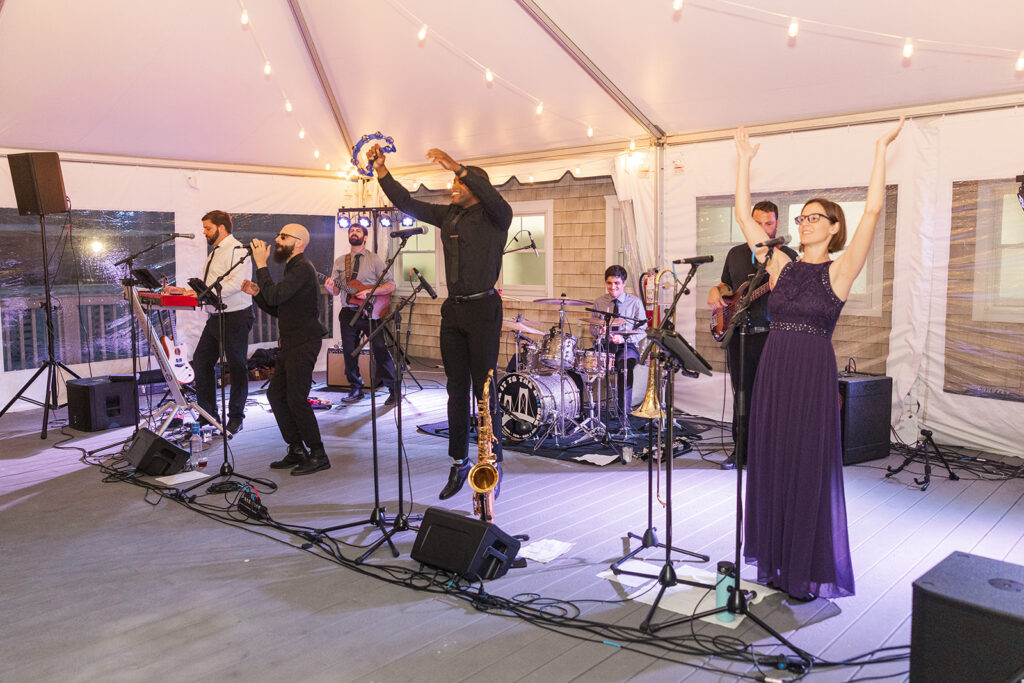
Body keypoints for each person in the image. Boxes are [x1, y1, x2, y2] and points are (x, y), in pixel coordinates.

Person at [734, 117, 904, 600]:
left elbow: (872, 211)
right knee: (772, 460)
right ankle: (774, 558)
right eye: (801, 217)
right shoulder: (781, 264)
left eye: (814, 218)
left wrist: (879, 149)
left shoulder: (842, 269)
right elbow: (745, 216)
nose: (803, 223)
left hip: (810, 373)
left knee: (806, 464)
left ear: (833, 228)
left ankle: (805, 568)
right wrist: (744, 163)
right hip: (774, 369)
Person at [370, 144, 512, 500]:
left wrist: (460, 167)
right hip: (454, 311)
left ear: (476, 189)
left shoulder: (497, 217)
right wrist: (382, 171)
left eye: (459, 183)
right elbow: (407, 203)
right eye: (452, 180)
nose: (453, 186)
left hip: (484, 310)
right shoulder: (449, 215)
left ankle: (491, 461)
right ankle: (459, 461)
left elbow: (492, 198)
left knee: (484, 389)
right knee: (455, 389)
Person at [707, 201, 798, 469]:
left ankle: (770, 454)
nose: (762, 228)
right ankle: (741, 451)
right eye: (756, 223)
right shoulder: (736, 253)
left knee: (772, 397)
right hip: (739, 336)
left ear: (777, 224)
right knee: (742, 396)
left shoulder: (788, 256)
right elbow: (727, 284)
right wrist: (716, 289)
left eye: (767, 223)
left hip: (772, 337)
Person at [241, 224, 330, 476]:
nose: (277, 240)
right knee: (277, 396)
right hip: (292, 342)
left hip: (304, 342)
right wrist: (258, 293)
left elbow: (276, 296)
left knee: (296, 399)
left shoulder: (302, 268)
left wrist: (261, 265)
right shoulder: (293, 268)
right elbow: (280, 307)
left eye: (283, 236)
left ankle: (318, 453)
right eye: (278, 235)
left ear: (299, 242)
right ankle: (296, 449)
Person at [191, 210, 254, 435]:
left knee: (237, 366)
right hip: (216, 316)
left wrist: (205, 295)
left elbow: (236, 283)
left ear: (221, 227)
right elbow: (212, 284)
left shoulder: (238, 250)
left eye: (208, 228)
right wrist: (188, 292)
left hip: (236, 315)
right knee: (200, 362)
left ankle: (236, 416)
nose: (204, 233)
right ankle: (208, 414)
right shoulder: (215, 252)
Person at [324, 223, 398, 406]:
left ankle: (393, 389)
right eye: (351, 231)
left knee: (380, 349)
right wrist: (329, 288)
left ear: (365, 237)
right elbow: (335, 290)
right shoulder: (341, 261)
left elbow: (390, 285)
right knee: (349, 352)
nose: (354, 233)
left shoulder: (375, 260)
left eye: (358, 231)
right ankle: (356, 388)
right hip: (348, 312)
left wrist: (370, 292)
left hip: (371, 312)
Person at [589, 265, 645, 420]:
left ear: (624, 283)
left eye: (616, 283)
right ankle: (582, 411)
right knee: (577, 364)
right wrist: (600, 331)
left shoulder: (635, 303)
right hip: (604, 345)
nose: (612, 287)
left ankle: (623, 414)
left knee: (625, 364)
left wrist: (624, 338)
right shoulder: (599, 302)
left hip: (626, 345)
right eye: (609, 283)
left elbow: (643, 329)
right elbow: (592, 329)